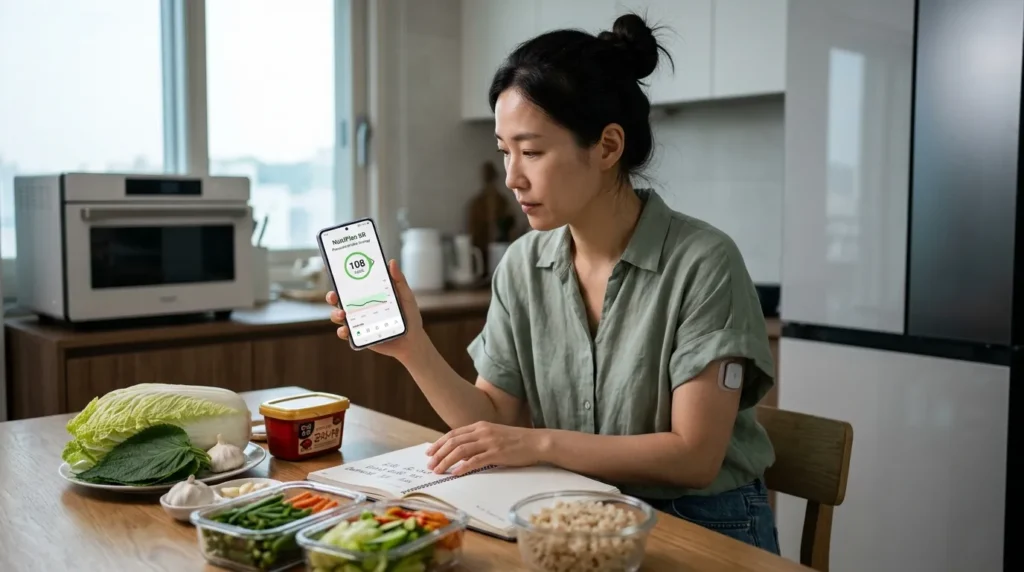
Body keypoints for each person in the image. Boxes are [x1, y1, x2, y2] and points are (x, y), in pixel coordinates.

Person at [326, 12, 780, 553]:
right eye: (504, 151)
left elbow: (694, 457)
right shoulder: (523, 264)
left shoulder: (704, 263)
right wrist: (412, 346)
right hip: (575, 515)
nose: (513, 176)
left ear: (608, 147)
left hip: (703, 527)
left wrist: (535, 443)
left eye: (533, 151)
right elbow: (493, 423)